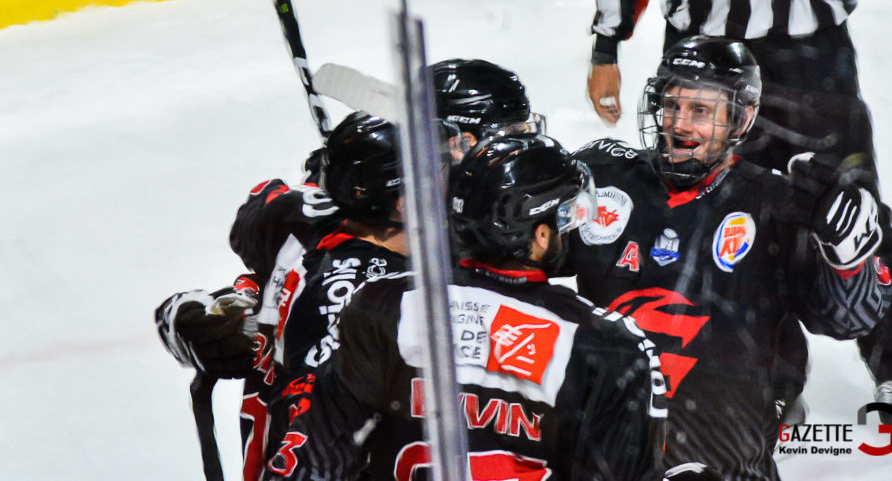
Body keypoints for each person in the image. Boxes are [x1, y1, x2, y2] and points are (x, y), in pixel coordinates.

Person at [585, 0, 892, 427]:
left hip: (807, 56)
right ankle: (771, 379)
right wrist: (607, 43)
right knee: (719, 219)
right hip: (698, 57)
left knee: (848, 206)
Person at [155, 58, 542, 476]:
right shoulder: (347, 257)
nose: (522, 153)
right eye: (510, 137)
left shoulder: (466, 230)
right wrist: (201, 321)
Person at [567, 36, 891, 480]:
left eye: (701, 110)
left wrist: (847, 255)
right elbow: (519, 258)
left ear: (741, 119)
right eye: (671, 105)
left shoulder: (776, 204)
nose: (680, 123)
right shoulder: (608, 182)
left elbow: (851, 320)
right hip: (605, 448)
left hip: (723, 455)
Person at [264, 133, 670, 480]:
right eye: (565, 217)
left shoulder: (383, 303)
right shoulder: (606, 343)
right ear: (541, 235)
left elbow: (314, 458)